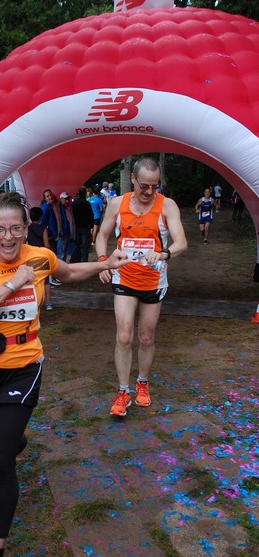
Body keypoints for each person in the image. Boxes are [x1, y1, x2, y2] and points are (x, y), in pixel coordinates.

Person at [0, 191, 128, 557]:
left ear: (26, 227)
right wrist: (10, 285)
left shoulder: (40, 256)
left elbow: (66, 272)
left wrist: (105, 262)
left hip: (23, 368)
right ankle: (11, 438)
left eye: (16, 227)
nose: (8, 237)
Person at [95, 157, 187, 418]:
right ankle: (123, 391)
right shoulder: (117, 204)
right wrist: (103, 261)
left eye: (154, 186)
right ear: (133, 179)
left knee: (146, 337)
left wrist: (164, 254)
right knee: (124, 336)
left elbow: (181, 242)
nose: (149, 192)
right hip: (124, 278)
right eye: (144, 186)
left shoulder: (167, 205)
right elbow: (102, 235)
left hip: (153, 281)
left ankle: (142, 383)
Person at [27, 206, 52, 310]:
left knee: (33, 280)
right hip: (42, 256)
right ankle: (48, 302)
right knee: (46, 280)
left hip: (31, 256)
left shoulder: (27, 229)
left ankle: (34, 302)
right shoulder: (43, 229)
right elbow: (46, 245)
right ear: (41, 217)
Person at [70, 186, 94, 263]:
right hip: (85, 227)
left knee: (77, 245)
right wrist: (91, 225)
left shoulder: (73, 203)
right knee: (85, 246)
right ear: (84, 193)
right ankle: (84, 261)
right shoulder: (86, 203)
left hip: (76, 226)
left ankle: (76, 260)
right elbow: (90, 215)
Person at [58, 192, 76, 261]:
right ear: (61, 199)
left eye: (68, 199)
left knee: (65, 255)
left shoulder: (68, 208)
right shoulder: (60, 209)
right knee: (61, 255)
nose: (67, 201)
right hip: (63, 234)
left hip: (68, 234)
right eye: (65, 199)